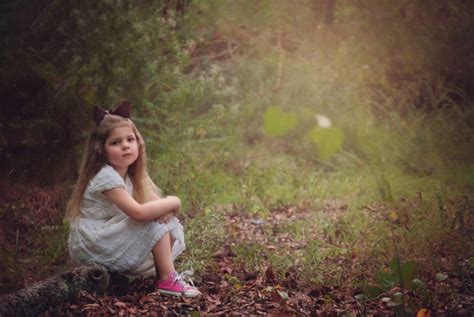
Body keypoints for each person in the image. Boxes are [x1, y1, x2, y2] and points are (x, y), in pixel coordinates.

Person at [66, 100, 201, 297]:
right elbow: (138, 213)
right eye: (115, 142)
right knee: (151, 219)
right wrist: (175, 201)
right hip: (92, 243)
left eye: (130, 140)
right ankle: (166, 280)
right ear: (101, 150)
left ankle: (162, 273)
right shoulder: (106, 176)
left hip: (106, 235)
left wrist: (166, 209)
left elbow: (154, 205)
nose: (125, 146)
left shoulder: (129, 175)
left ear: (138, 142)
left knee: (164, 218)